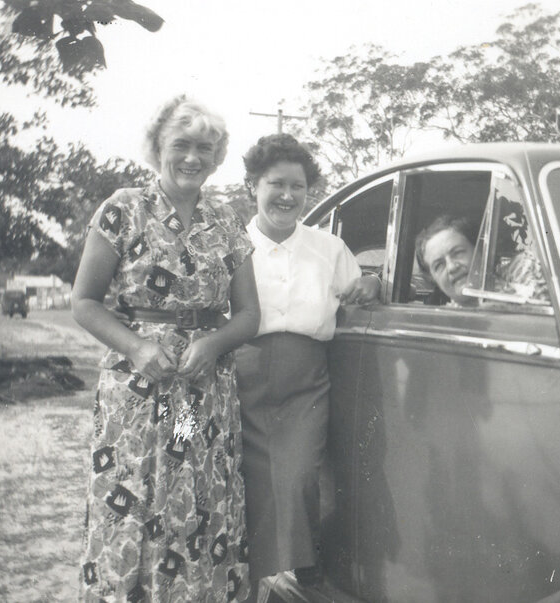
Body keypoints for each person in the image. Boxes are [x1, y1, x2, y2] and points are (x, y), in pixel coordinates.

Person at [72, 96, 259, 601]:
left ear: (217, 156)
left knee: (189, 488)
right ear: (158, 147)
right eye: (181, 145)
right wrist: (136, 348)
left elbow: (248, 315)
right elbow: (84, 302)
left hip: (199, 392)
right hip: (138, 390)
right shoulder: (124, 208)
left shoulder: (227, 220)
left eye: (205, 148)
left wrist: (213, 343)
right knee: (133, 490)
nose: (192, 157)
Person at [235, 133, 380, 596]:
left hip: (305, 382)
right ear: (253, 186)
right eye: (275, 184)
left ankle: (299, 567)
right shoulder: (229, 245)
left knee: (299, 477)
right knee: (242, 481)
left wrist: (373, 282)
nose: (287, 195)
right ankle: (241, 580)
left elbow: (361, 287)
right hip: (238, 379)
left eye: (297, 186)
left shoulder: (328, 247)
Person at [415, 214, 560, 306]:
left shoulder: (526, 268)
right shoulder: (444, 322)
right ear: (432, 278)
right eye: (439, 265)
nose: (452, 267)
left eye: (458, 252)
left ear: (479, 251)